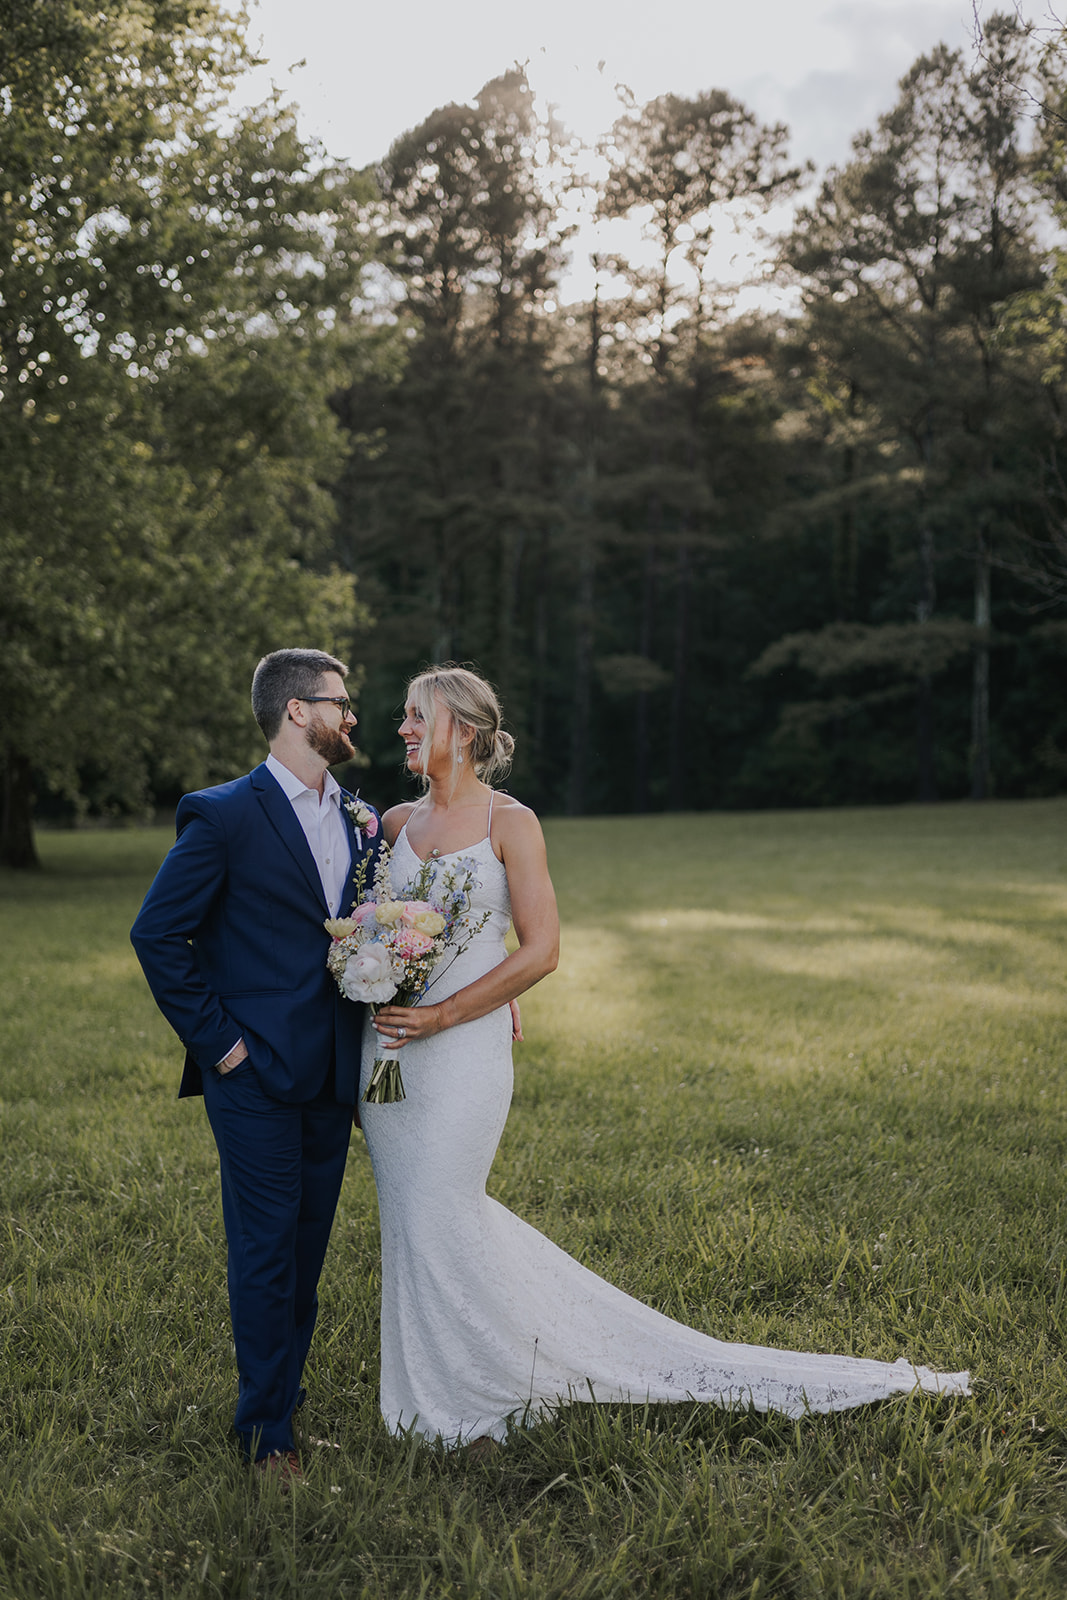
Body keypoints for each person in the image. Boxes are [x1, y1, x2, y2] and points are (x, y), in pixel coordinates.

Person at [358, 664, 970, 1450]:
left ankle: (478, 1399)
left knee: (444, 1205)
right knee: (413, 1219)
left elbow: (541, 950)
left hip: (459, 1048)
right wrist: (373, 988)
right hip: (385, 1056)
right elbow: (372, 925)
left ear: (463, 731)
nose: (402, 728)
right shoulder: (395, 819)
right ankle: (440, 1382)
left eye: (417, 716)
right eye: (404, 716)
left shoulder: (512, 823)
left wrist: (449, 1008)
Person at [131, 648, 380, 1483]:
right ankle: (264, 1433)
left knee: (306, 1253)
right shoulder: (223, 814)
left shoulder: (358, 818)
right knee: (266, 1252)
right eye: (339, 703)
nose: (352, 717)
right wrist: (222, 1047)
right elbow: (157, 935)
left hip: (331, 1076)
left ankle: (284, 1392)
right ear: (296, 711)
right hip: (252, 1077)